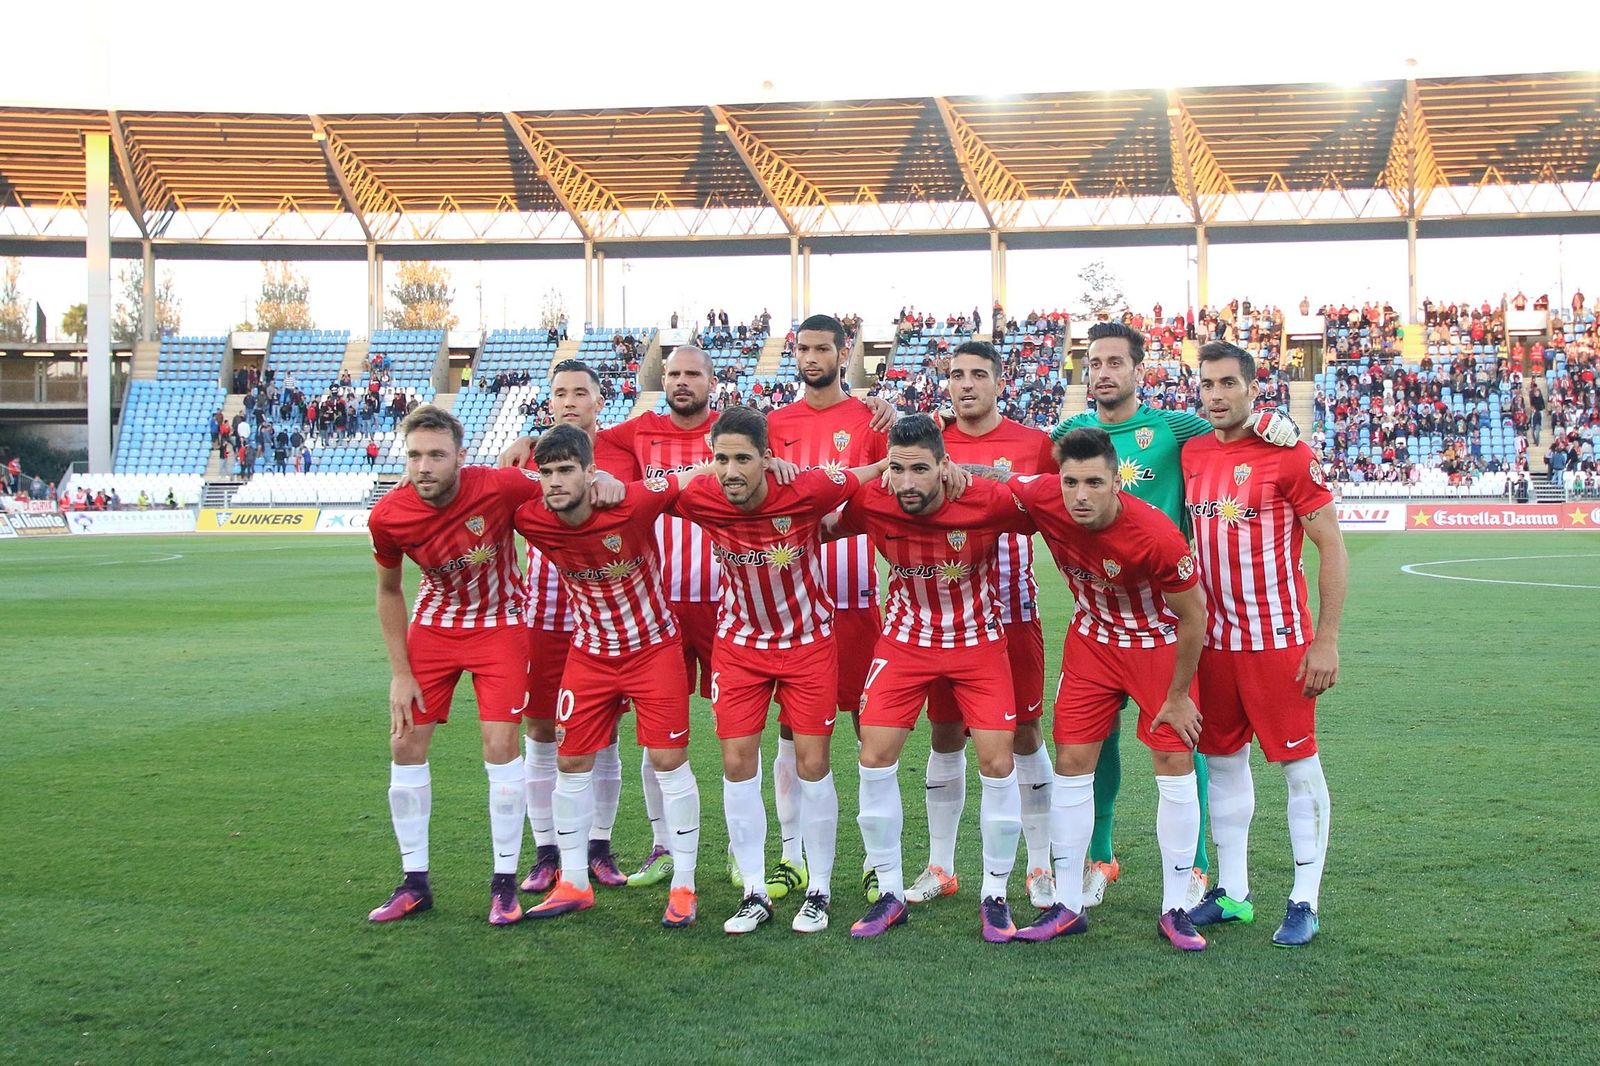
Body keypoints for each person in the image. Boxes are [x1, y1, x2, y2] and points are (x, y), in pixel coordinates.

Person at [1049, 320, 1298, 911]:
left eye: (1115, 362)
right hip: (1099, 616)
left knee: (1183, 736)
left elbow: (1230, 427)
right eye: (1094, 363)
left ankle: (1198, 868)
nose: (1103, 373)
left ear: (1139, 369)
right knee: (1092, 740)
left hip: (1169, 616)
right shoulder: (1066, 434)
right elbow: (1021, 471)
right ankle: (1100, 856)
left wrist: (1272, 421)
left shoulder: (1175, 426)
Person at [671, 405, 884, 935]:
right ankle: (753, 891)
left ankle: (820, 891)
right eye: (721, 459)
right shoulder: (700, 495)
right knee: (737, 763)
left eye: (743, 459)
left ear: (767, 458)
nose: (731, 471)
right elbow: (644, 492)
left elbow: (864, 474)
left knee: (813, 764)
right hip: (740, 646)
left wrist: (894, 459)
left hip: (807, 643)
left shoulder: (806, 490)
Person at [827, 415, 1032, 942]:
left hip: (977, 641)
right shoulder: (873, 500)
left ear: (944, 465)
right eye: (897, 469)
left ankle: (995, 895)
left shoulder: (983, 499)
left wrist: (980, 470)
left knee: (998, 761)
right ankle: (890, 893)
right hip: (904, 641)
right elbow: (816, 515)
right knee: (874, 756)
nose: (907, 482)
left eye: (920, 469)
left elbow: (1044, 500)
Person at [1005, 427, 1209, 950]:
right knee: (1073, 763)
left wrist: (1178, 696)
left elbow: (1194, 616)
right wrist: (946, 469)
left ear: (1117, 482)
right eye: (1070, 482)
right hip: (1092, 641)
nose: (1080, 495)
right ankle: (1068, 905)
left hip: (1156, 644)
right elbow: (994, 480)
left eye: (1094, 482)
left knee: (1174, 763)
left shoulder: (1157, 535)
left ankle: (1175, 907)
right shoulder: (1044, 497)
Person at [1182, 341, 1348, 947]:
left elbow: (1332, 546)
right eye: (1207, 384)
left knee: (1299, 767)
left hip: (1277, 640)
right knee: (1224, 762)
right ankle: (1234, 892)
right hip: (1212, 644)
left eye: (1229, 383)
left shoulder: (1289, 454)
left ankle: (1305, 900)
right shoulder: (1192, 450)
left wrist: (1326, 639)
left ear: (1254, 388)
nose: (1216, 395)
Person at [512, 425, 702, 929]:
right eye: (546, 472)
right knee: (570, 762)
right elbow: (483, 489)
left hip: (653, 649)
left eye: (566, 470)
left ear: (590, 472)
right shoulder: (531, 518)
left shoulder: (632, 502)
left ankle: (684, 885)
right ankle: (574, 882)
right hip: (590, 654)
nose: (554, 481)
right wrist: (520, 445)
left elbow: (689, 477)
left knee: (668, 761)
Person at [365, 405, 544, 927]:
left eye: (437, 455)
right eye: (415, 455)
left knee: (501, 746)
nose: (424, 466)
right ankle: (414, 883)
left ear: (461, 457)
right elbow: (389, 590)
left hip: (501, 623)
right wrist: (400, 672)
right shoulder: (388, 516)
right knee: (404, 743)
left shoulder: (499, 486)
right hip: (434, 627)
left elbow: (562, 477)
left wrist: (534, 438)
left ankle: (504, 884)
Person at [912, 340, 1058, 910]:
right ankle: (941, 866)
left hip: (1012, 612)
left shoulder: (1033, 444)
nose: (966, 384)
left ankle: (1040, 866)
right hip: (946, 617)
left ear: (1000, 383)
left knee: (1024, 734)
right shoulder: (930, 439)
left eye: (978, 374)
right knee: (946, 732)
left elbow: (1053, 509)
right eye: (956, 375)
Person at [765, 314, 891, 903]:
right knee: (793, 732)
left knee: (871, 729)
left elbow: (895, 481)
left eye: (822, 348)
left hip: (854, 598)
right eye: (803, 349)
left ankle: (875, 860)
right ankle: (791, 856)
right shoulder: (774, 424)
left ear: (844, 353)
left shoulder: (872, 420)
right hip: (790, 605)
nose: (811, 358)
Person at [514, 360, 646, 898]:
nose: (569, 401)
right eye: (560, 393)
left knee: (605, 733)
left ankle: (599, 845)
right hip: (546, 612)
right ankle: (547, 851)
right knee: (542, 729)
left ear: (599, 401)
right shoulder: (528, 455)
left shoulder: (622, 452)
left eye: (580, 392)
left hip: (606, 617)